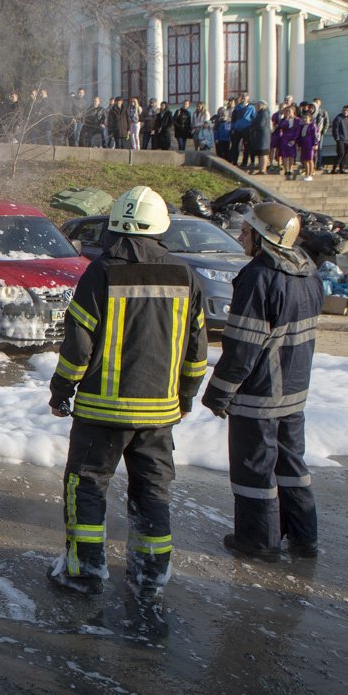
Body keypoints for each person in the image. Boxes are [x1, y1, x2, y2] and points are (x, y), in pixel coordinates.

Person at [47, 186, 208, 599]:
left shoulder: (100, 273)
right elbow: (197, 350)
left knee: (86, 486)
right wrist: (186, 396)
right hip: (158, 415)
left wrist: (62, 389)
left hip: (101, 413)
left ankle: (84, 571)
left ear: (116, 225)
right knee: (152, 492)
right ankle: (150, 575)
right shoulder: (185, 276)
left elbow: (78, 344)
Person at [202, 203, 322, 561]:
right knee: (292, 466)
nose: (241, 237)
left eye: (247, 232)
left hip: (259, 395)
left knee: (254, 470)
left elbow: (242, 347)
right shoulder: (308, 272)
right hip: (294, 393)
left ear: (265, 238)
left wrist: (218, 393)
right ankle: (304, 537)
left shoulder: (258, 277)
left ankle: (258, 541)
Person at [248, 100, 271, 175]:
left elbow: (261, 124)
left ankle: (263, 170)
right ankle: (261, 169)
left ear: (263, 105)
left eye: (258, 105)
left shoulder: (264, 113)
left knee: (263, 153)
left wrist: (253, 128)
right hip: (259, 136)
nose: (256, 107)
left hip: (263, 136)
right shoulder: (260, 113)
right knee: (260, 153)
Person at [330, 105, 348, 175]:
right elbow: (335, 129)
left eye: (347, 110)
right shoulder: (338, 118)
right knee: (341, 154)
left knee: (346, 154)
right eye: (344, 110)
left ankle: (342, 168)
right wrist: (337, 138)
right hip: (340, 139)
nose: (345, 112)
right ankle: (334, 169)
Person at [297, 110, 319, 181]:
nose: (304, 119)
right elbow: (300, 136)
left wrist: (315, 144)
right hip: (303, 144)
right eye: (303, 118)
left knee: (310, 159)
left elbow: (315, 136)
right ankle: (307, 173)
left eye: (306, 118)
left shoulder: (312, 126)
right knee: (305, 160)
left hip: (310, 144)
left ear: (310, 118)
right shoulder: (302, 126)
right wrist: (299, 145)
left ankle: (311, 174)